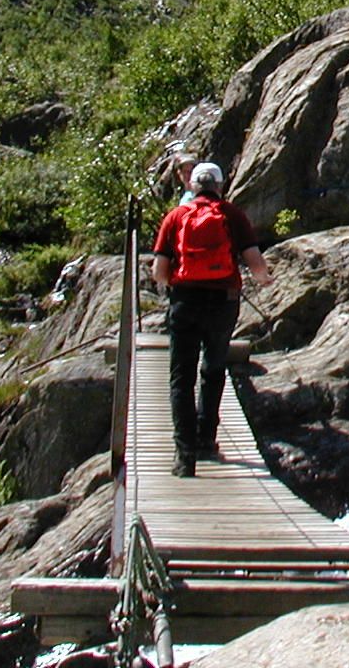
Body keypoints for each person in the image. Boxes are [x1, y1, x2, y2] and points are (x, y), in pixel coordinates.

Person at [151, 162, 274, 478]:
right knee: (214, 368)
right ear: (220, 186)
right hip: (223, 303)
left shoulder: (176, 217)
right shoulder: (232, 215)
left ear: (193, 186)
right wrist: (265, 279)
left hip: (184, 302)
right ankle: (207, 439)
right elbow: (255, 264)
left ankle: (185, 456)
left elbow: (159, 272)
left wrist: (177, 285)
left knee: (181, 377)